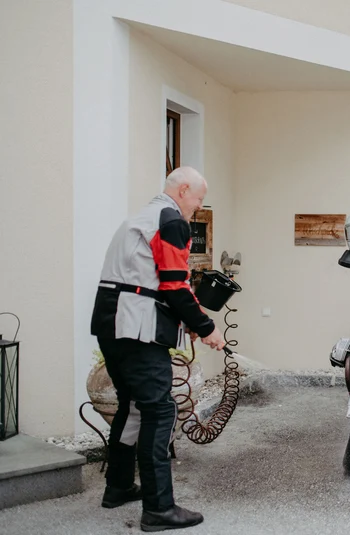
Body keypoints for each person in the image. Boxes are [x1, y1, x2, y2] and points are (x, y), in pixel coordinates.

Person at [90, 166, 226, 531]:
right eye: (198, 200)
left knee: (133, 405)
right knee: (159, 410)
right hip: (137, 330)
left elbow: (148, 281)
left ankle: (118, 487)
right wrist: (206, 327)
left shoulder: (141, 217)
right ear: (183, 190)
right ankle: (159, 508)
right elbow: (174, 285)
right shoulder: (171, 219)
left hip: (111, 324)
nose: (197, 209)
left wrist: (188, 320)